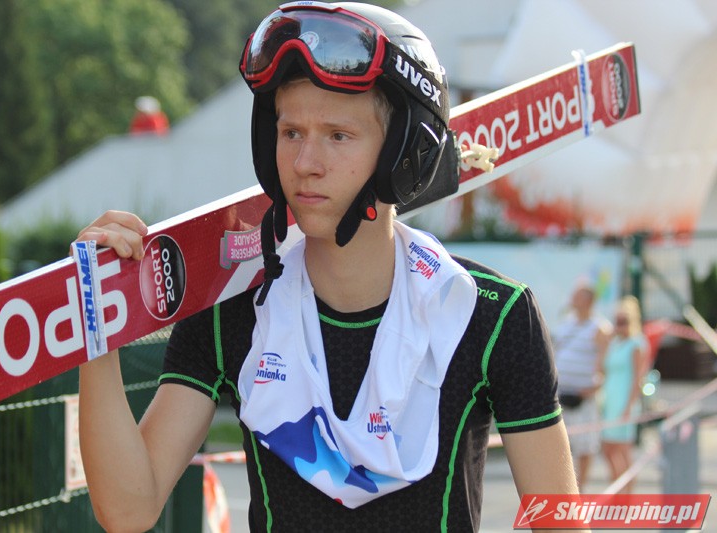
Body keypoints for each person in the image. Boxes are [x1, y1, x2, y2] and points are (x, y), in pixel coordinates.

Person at [77, 3, 577, 531]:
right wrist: (97, 322)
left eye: (338, 135)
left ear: (405, 152)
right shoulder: (230, 309)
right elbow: (129, 509)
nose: (304, 164)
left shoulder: (488, 315)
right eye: (291, 132)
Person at [553, 283, 612, 490]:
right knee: (561, 443)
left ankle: (581, 490)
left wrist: (594, 388)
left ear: (588, 300)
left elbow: (606, 363)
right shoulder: (566, 324)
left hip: (583, 397)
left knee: (585, 445)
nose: (572, 300)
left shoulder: (600, 328)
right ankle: (564, 488)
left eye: (577, 296)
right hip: (561, 394)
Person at [600, 295, 647, 493]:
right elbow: (602, 368)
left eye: (624, 321)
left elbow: (638, 378)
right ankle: (618, 490)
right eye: (617, 321)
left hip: (624, 402)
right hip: (610, 401)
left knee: (623, 450)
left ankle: (627, 495)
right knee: (607, 449)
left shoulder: (636, 344)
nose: (620, 325)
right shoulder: (614, 344)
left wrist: (629, 406)